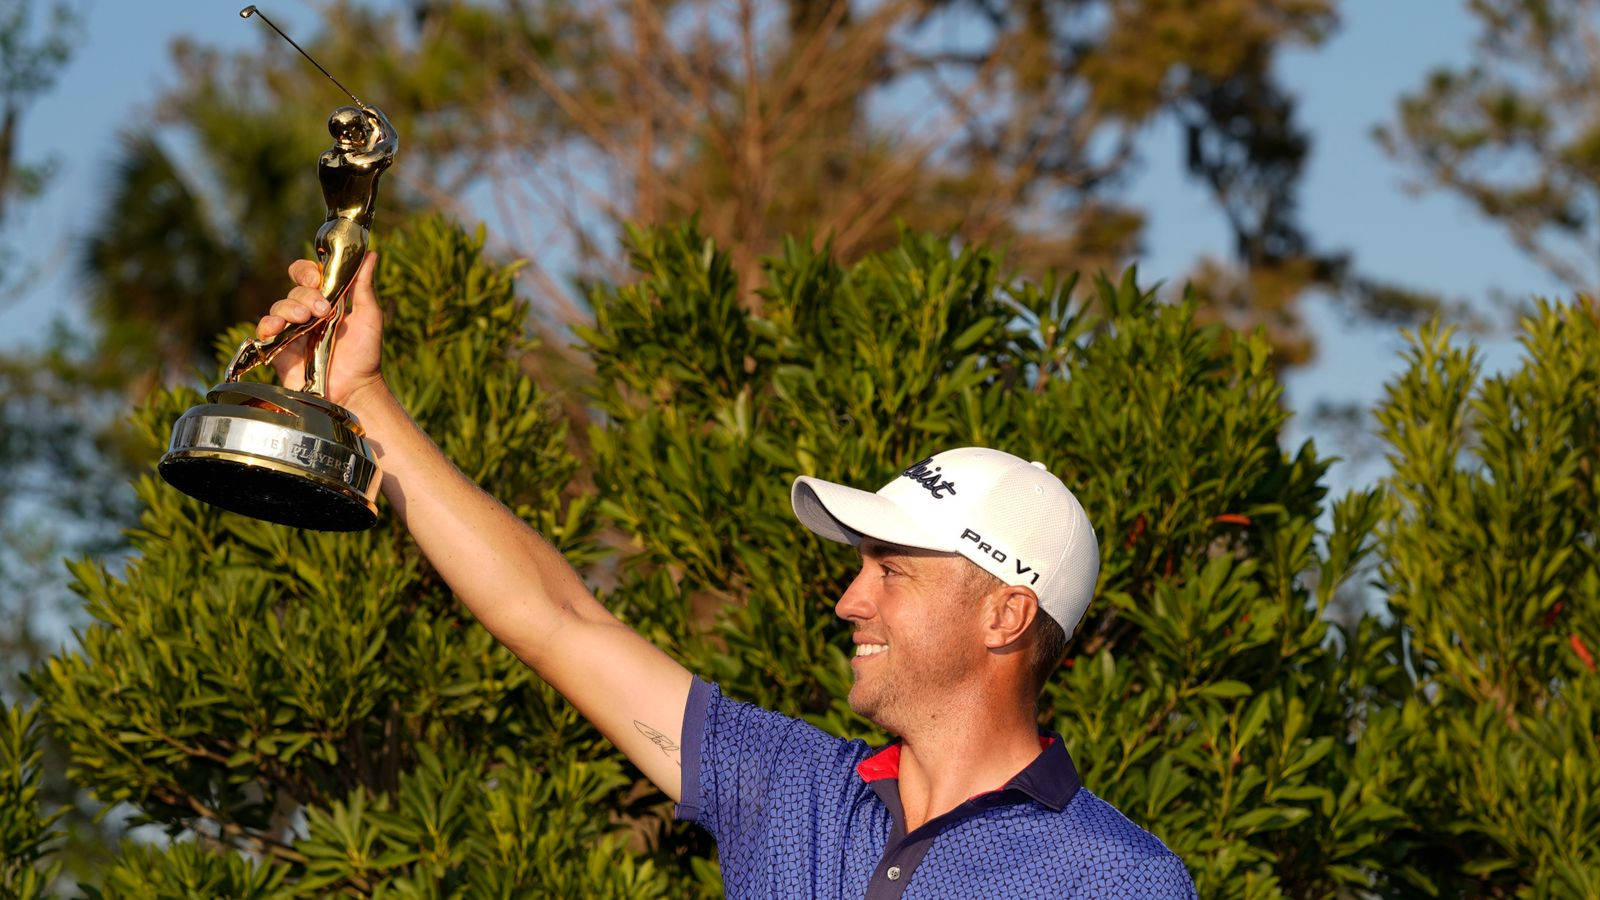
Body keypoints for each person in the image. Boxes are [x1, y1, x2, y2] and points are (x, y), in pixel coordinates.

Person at [253, 255, 1197, 897]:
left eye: (893, 570)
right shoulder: (790, 786)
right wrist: (360, 399)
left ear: (1005, 613)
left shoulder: (1112, 878)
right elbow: (556, 619)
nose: (848, 597)